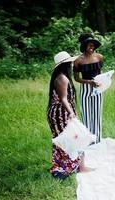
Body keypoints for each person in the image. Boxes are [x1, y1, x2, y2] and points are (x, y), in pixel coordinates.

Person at [47, 51, 93, 179]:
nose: (72, 65)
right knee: (70, 139)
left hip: (62, 113)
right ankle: (68, 168)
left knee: (69, 139)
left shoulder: (62, 77)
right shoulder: (62, 78)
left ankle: (73, 167)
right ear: (65, 64)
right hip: (60, 114)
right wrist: (71, 112)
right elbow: (63, 99)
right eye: (70, 63)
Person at [74, 33, 104, 143]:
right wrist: (88, 82)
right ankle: (87, 140)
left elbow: (100, 73)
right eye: (89, 46)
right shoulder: (78, 60)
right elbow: (76, 78)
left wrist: (102, 81)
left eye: (93, 46)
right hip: (85, 89)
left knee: (97, 115)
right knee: (86, 115)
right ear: (84, 47)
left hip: (97, 89)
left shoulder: (99, 57)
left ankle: (97, 140)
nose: (91, 48)